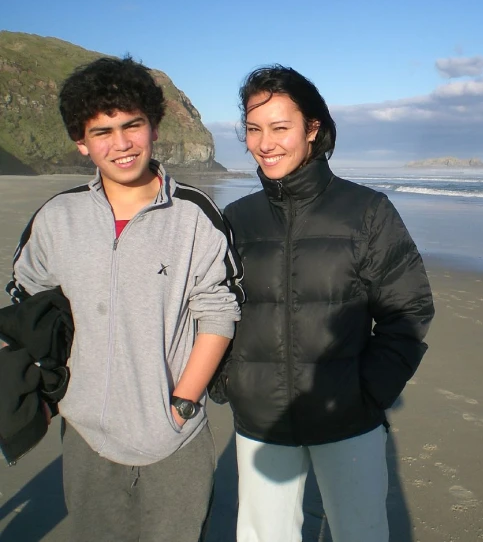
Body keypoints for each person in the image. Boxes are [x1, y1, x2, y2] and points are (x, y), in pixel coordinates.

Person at [5, 56, 244, 542]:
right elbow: (29, 307)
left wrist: (183, 401)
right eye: (102, 132)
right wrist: (49, 395)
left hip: (175, 438)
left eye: (132, 125)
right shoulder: (58, 217)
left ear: (154, 128)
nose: (121, 144)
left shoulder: (195, 215)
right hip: (87, 439)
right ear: (81, 142)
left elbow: (219, 311)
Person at [214, 65, 435, 541]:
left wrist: (368, 392)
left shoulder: (367, 210)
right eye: (253, 129)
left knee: (361, 532)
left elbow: (408, 309)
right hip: (260, 418)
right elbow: (211, 309)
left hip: (347, 417)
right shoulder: (236, 218)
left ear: (313, 129)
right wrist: (231, 381)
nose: (264, 143)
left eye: (279, 127)